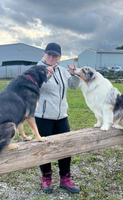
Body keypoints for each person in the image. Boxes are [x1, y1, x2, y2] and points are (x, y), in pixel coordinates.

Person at [35, 42, 80, 194]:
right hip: (43, 117)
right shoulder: (38, 69)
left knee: (66, 147)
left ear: (59, 57)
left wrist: (74, 75)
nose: (51, 57)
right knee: (45, 149)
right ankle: (46, 177)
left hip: (61, 117)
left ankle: (65, 179)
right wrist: (45, 75)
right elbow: (35, 86)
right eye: (49, 54)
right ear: (44, 54)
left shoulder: (62, 70)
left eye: (55, 55)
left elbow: (73, 86)